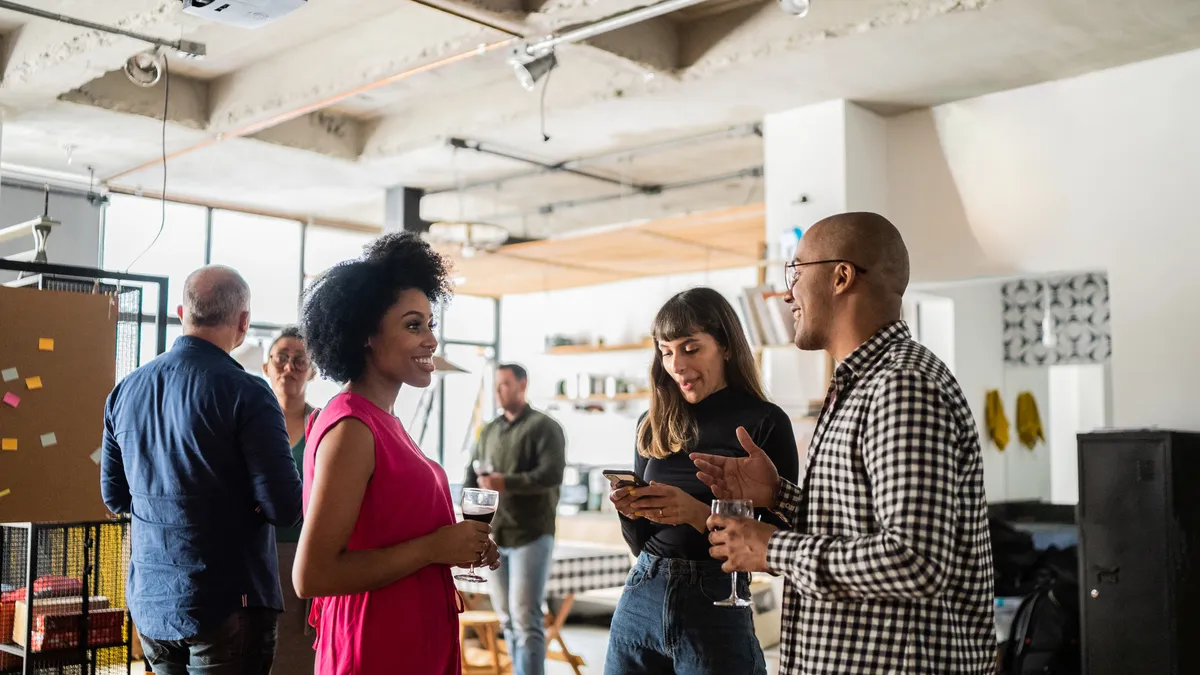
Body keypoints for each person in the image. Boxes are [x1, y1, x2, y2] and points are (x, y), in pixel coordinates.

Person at [694, 212, 995, 675]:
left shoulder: (903, 386)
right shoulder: (861, 383)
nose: (786, 291)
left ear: (841, 276)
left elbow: (916, 561)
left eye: (795, 271)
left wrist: (773, 549)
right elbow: (860, 526)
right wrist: (778, 495)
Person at [293, 232, 499, 675]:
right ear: (366, 334)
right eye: (413, 325)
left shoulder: (383, 421)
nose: (430, 341)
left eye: (430, 325)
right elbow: (312, 575)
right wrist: (434, 548)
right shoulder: (352, 427)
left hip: (409, 633)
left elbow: (392, 530)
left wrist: (458, 546)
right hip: (376, 644)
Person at [101, 265, 303, 674]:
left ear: (182, 312)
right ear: (243, 322)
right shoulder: (247, 392)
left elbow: (115, 497)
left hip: (152, 601)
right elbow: (285, 507)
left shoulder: (126, 391)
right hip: (230, 602)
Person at [605, 287, 799, 675]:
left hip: (717, 600)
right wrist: (630, 510)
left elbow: (779, 545)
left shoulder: (765, 422)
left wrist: (696, 514)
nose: (676, 364)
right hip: (642, 592)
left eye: (691, 348)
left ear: (725, 346)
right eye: (666, 350)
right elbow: (641, 543)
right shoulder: (652, 423)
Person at [463, 364, 566, 675]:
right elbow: (472, 473)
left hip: (531, 535)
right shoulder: (490, 430)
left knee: (526, 618)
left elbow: (550, 474)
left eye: (505, 384)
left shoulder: (545, 427)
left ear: (523, 384)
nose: (498, 391)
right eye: (496, 385)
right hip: (496, 536)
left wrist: (506, 482)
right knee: (506, 619)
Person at [264, 325, 317, 675]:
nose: (289, 367)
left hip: (311, 555)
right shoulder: (251, 420)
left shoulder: (325, 423)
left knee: (304, 653)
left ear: (312, 370)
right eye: (282, 358)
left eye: (300, 361)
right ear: (267, 366)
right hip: (259, 556)